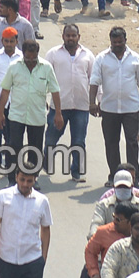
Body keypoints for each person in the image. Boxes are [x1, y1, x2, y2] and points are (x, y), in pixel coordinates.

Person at [0, 40, 63, 183]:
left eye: (34, 59)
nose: (31, 62)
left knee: (35, 149)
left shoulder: (46, 67)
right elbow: (5, 90)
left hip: (37, 115)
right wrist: (0, 112)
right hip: (16, 115)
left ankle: (32, 179)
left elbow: (55, 91)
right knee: (14, 147)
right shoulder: (14, 67)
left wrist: (58, 113)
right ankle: (12, 180)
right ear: (23, 54)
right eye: (28, 58)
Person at [90, 26, 139, 185]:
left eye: (120, 42)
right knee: (111, 143)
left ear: (125, 40)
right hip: (109, 109)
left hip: (131, 109)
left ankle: (134, 179)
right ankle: (114, 176)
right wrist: (91, 102)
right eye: (114, 42)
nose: (117, 45)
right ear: (110, 42)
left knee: (132, 143)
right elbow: (94, 81)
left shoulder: (135, 58)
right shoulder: (101, 58)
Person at [44, 22, 93, 182]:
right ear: (63, 36)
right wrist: (44, 98)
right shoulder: (53, 54)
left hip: (81, 106)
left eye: (73, 35)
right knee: (51, 138)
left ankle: (77, 172)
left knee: (78, 141)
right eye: (68, 35)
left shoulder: (88, 55)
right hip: (59, 106)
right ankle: (45, 161)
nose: (70, 38)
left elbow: (94, 80)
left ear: (79, 37)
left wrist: (96, 101)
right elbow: (44, 78)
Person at [0, 170, 52, 278]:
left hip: (32, 262)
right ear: (16, 177)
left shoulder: (42, 201)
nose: (25, 184)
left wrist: (43, 258)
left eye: (29, 181)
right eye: (22, 179)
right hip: (7, 261)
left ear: (35, 180)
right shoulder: (3, 196)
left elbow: (45, 229)